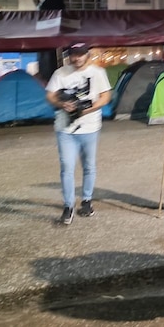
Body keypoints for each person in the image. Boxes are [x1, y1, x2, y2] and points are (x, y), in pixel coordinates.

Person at [45, 43, 112, 225]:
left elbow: (106, 96)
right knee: (67, 166)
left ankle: (87, 201)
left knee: (89, 166)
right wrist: (61, 104)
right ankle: (68, 206)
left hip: (90, 127)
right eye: (73, 55)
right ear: (69, 56)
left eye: (80, 55)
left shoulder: (98, 72)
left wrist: (89, 109)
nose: (77, 58)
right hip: (64, 128)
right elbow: (50, 95)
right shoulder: (60, 73)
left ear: (87, 55)